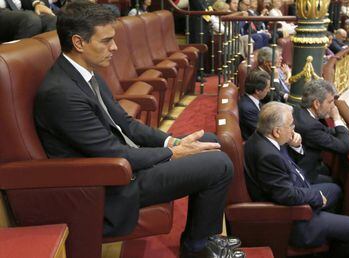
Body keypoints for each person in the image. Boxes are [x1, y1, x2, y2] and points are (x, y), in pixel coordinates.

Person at [34, 2, 243, 258]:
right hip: (109, 183)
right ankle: (198, 249)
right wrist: (173, 154)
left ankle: (204, 241)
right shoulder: (60, 93)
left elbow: (127, 124)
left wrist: (171, 142)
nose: (115, 48)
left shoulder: (85, 72)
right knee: (218, 164)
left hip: (123, 164)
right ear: (79, 43)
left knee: (211, 141)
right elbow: (109, 152)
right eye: (107, 40)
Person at [244, 101, 349, 258]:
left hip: (298, 188)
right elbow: (285, 195)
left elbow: (286, 166)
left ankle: (326, 235)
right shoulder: (268, 156)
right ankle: (319, 234)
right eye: (291, 125)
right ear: (277, 131)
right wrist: (316, 197)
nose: (294, 129)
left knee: (335, 190)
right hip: (292, 219)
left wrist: (295, 146)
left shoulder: (262, 137)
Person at [293, 79, 349, 184]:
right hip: (302, 177)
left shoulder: (300, 111)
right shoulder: (310, 127)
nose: (333, 106)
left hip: (305, 167)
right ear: (316, 104)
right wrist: (337, 118)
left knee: (327, 171)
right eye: (330, 102)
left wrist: (341, 130)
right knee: (337, 188)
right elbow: (344, 147)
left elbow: (325, 131)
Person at [239, 70, 271, 140]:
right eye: (267, 88)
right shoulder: (248, 109)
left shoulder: (252, 100)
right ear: (258, 91)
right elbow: (263, 132)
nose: (269, 90)